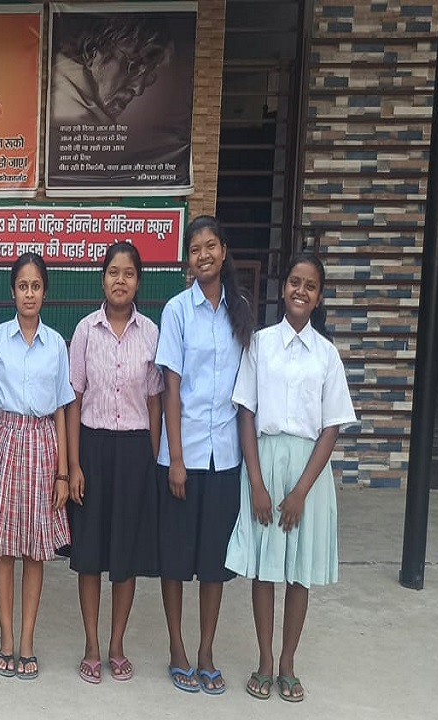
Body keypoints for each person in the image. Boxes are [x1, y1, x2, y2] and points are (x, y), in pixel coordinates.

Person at [225, 253, 356, 703]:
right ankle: (264, 660)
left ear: (319, 297)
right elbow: (246, 412)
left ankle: (287, 663)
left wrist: (300, 491)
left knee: (300, 570)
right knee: (265, 567)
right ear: (283, 288)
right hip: (265, 461)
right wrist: (256, 483)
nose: (301, 291)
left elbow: (332, 426)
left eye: (310, 286)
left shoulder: (326, 355)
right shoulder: (260, 345)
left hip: (309, 471)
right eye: (295, 282)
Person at [156, 216, 255, 694]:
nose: (203, 255)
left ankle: (206, 652)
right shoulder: (177, 311)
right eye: (195, 249)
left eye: (210, 246)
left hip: (226, 457)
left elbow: (246, 389)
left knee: (214, 560)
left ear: (223, 251)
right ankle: (177, 648)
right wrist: (176, 458)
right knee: (176, 558)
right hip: (185, 454)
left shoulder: (241, 309)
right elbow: (171, 389)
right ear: (188, 260)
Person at [65, 242, 163, 684]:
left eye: (128, 273)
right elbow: (73, 399)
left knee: (126, 555)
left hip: (136, 451)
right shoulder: (86, 330)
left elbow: (155, 402)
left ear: (138, 281)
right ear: (102, 278)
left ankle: (116, 645)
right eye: (113, 272)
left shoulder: (151, 333)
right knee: (89, 554)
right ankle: (90, 644)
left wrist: (155, 460)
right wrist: (73, 465)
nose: (120, 281)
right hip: (93, 448)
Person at [0, 253, 74, 681]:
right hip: (6, 441)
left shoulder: (56, 345)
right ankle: (6, 640)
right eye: (22, 286)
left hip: (43, 445)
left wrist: (63, 473)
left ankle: (28, 642)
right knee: (5, 548)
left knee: (35, 550)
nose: (29, 294)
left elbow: (62, 410)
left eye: (36, 286)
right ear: (12, 292)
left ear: (44, 292)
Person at [50, 16, 174, 125]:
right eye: (134, 67)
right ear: (92, 53)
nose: (139, 90)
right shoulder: (66, 118)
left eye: (148, 76)